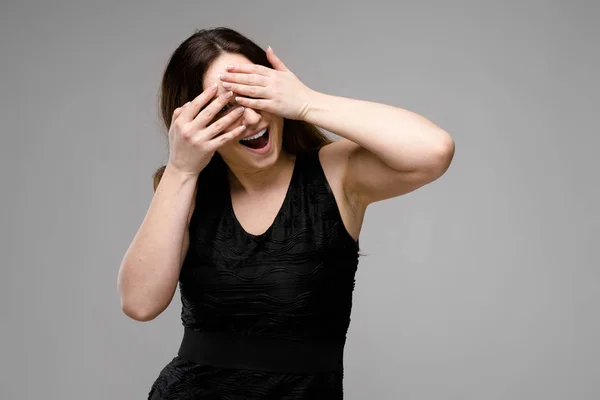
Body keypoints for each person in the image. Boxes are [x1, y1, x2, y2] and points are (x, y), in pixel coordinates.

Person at [117, 27, 455, 399]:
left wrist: (307, 102)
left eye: (254, 93)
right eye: (226, 106)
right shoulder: (186, 187)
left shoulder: (334, 175)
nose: (250, 118)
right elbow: (140, 303)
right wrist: (181, 170)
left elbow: (434, 151)